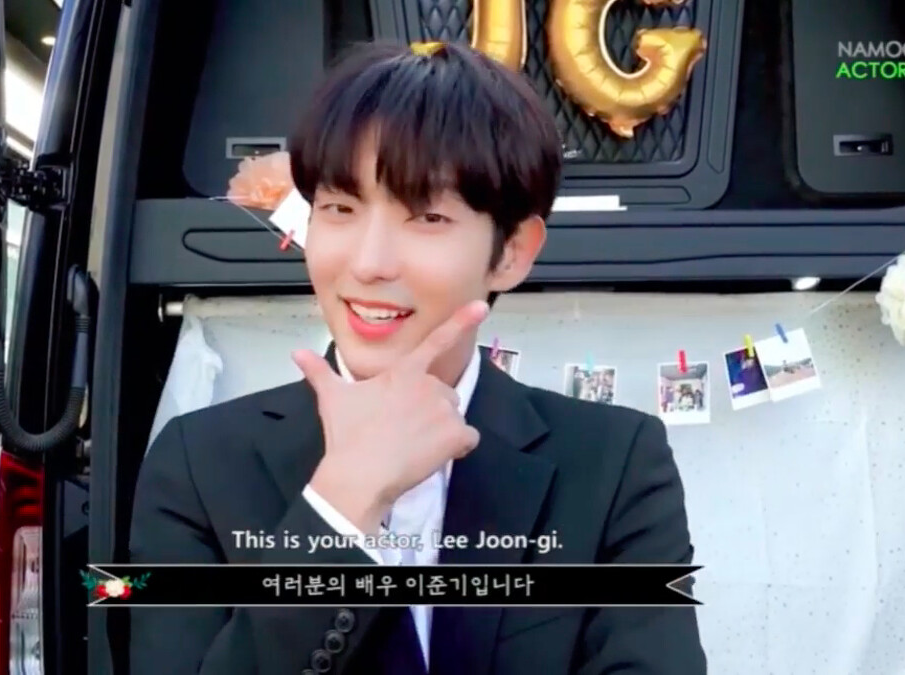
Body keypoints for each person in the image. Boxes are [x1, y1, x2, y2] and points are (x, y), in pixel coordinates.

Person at [129, 40, 705, 675]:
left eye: (427, 217)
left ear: (512, 252)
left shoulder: (614, 463)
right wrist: (339, 508)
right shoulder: (198, 463)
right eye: (340, 209)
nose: (369, 263)